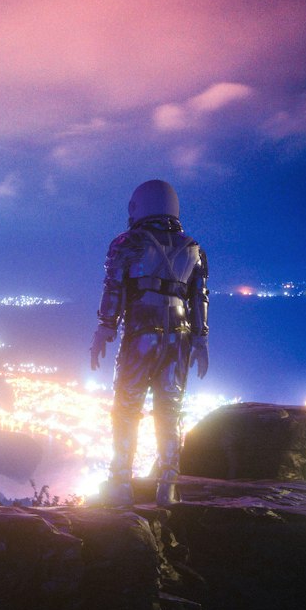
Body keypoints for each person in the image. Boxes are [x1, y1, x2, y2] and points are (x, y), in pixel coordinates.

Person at [90, 178, 209, 507]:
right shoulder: (193, 249)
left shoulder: (126, 243)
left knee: (126, 408)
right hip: (180, 339)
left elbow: (113, 289)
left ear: (138, 206)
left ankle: (120, 483)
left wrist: (104, 328)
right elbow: (199, 299)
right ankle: (168, 486)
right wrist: (200, 341)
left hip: (141, 334)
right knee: (169, 411)